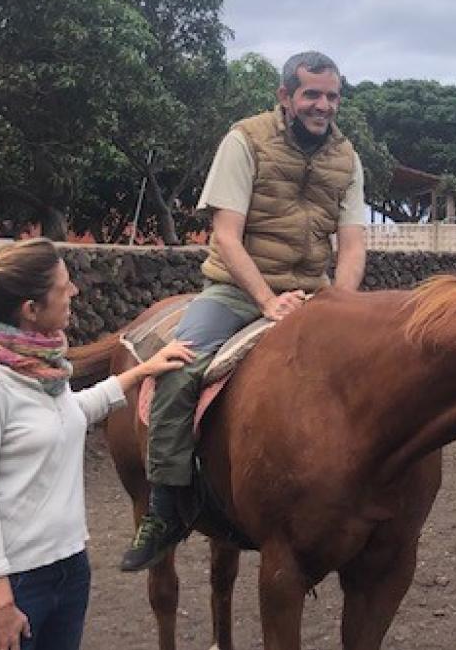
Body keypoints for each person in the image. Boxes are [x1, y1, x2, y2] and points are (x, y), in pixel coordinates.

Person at [120, 50, 367, 571]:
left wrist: (341, 304)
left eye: (332, 96)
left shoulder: (347, 157)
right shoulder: (244, 140)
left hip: (315, 294)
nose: (323, 105)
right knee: (178, 369)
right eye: (311, 95)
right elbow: (226, 237)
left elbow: (352, 243)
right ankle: (165, 505)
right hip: (237, 290)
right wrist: (266, 302)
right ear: (285, 97)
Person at [0, 238, 194, 650]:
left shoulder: (43, 370)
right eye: (63, 286)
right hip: (4, 589)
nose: (74, 292)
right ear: (31, 310)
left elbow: (65, 414)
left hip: (66, 573)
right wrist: (0, 602)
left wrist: (141, 372)